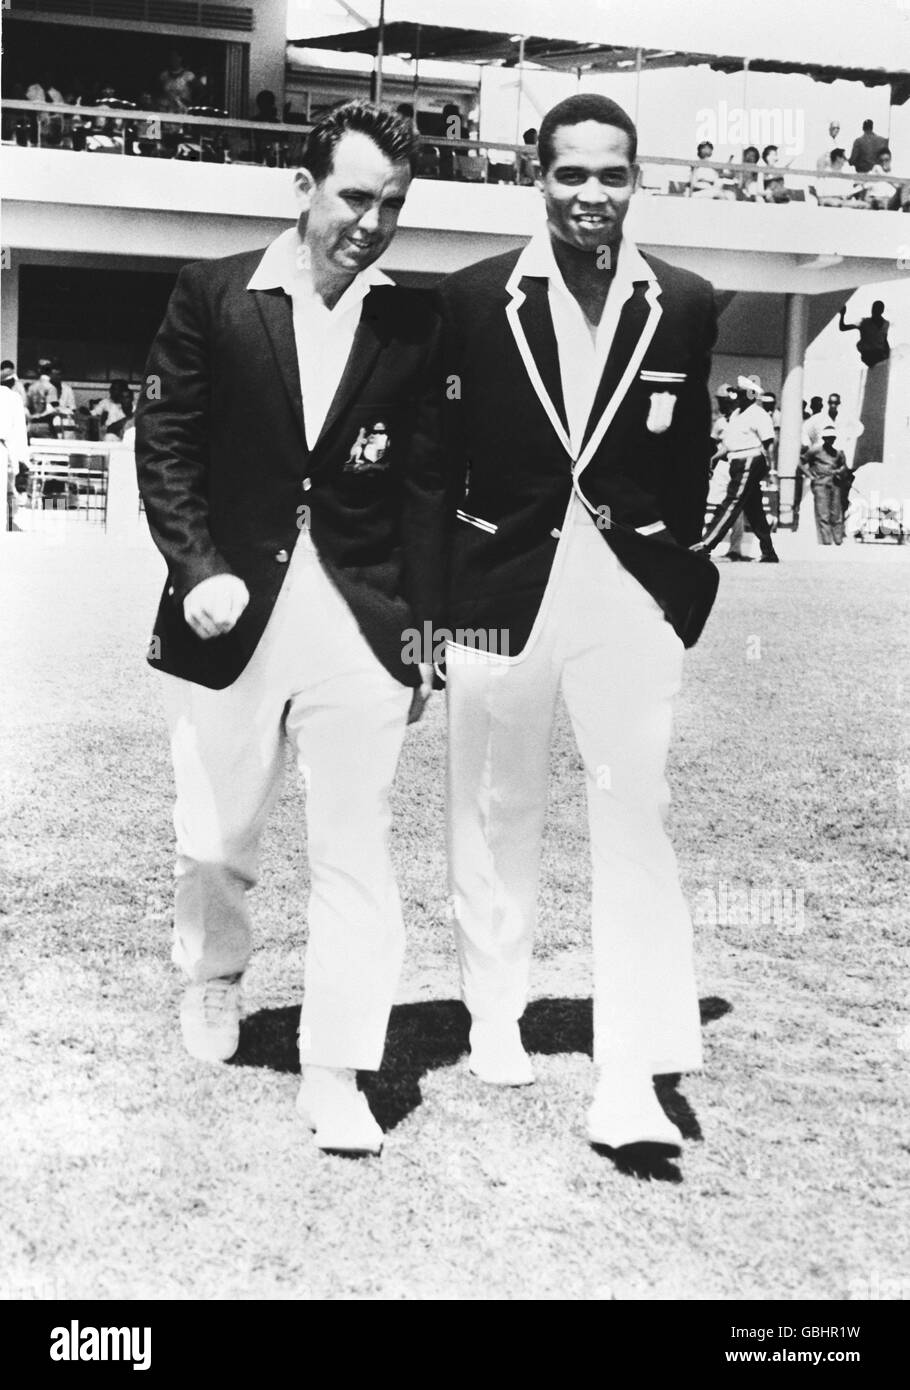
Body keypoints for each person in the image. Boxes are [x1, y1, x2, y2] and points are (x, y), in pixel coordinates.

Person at [136, 101, 445, 1158]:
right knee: (217, 837)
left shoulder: (416, 319)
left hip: (362, 622)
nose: (371, 222)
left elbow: (427, 491)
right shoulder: (214, 295)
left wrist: (422, 634)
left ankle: (336, 1068)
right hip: (230, 616)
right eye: (356, 196)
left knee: (354, 849)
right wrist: (197, 568)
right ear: (304, 187)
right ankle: (213, 980)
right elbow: (166, 446)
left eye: (393, 205)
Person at [439, 93, 719, 1153]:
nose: (592, 195)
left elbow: (684, 454)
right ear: (537, 174)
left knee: (634, 813)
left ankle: (633, 1073)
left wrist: (663, 581)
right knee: (494, 805)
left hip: (627, 594)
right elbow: (436, 463)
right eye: (571, 174)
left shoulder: (684, 302)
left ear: (636, 177)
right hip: (495, 589)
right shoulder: (471, 299)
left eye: (612, 174)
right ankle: (494, 1010)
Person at [696, 375, 780, 562]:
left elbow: (769, 444)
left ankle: (706, 544)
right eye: (738, 394)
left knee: (731, 502)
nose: (738, 397)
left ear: (751, 395)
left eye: (742, 394)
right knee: (754, 508)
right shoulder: (735, 415)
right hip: (736, 460)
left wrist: (772, 471)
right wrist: (713, 459)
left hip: (750, 459)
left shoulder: (759, 414)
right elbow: (728, 445)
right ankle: (768, 551)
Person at [802, 426, 849, 545]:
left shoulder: (837, 453)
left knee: (836, 513)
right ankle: (826, 541)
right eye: (828, 438)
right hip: (820, 482)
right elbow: (801, 461)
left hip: (834, 482)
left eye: (832, 438)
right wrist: (810, 475)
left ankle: (838, 540)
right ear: (824, 438)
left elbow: (844, 466)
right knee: (823, 513)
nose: (830, 440)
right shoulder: (815, 450)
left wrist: (840, 470)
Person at [1, 366, 30, 531]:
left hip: (4, 443)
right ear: (13, 382)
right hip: (4, 446)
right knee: (8, 488)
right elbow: (19, 429)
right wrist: (22, 456)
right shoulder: (14, 397)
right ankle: (10, 521)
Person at [838, 300, 890, 367]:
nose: (874, 311)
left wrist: (888, 356)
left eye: (876, 310)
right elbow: (843, 328)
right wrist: (842, 315)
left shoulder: (886, 324)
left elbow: (884, 340)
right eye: (873, 309)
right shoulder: (864, 322)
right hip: (868, 355)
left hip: (879, 354)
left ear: (881, 311)